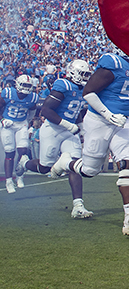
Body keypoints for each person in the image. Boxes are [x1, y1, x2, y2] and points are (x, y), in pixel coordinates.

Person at [50, 52, 129, 235]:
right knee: (90, 170)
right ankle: (65, 162)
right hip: (100, 121)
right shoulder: (113, 63)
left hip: (123, 121)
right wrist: (108, 114)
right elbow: (88, 92)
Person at [17, 61, 92, 219]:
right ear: (73, 73)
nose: (86, 77)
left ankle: (78, 205)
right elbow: (45, 110)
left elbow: (75, 110)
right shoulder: (63, 84)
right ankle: (24, 163)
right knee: (45, 168)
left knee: (75, 164)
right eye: (83, 74)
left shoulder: (83, 89)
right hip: (53, 129)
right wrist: (67, 124)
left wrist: (80, 126)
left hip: (69, 131)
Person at [1, 75, 39, 193]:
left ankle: (19, 177)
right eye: (25, 85)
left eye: (29, 86)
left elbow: (32, 111)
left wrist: (27, 122)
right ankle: (8, 181)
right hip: (8, 124)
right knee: (10, 152)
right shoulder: (7, 93)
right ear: (17, 84)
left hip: (21, 123)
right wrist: (2, 119)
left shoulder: (33, 97)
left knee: (23, 152)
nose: (26, 88)